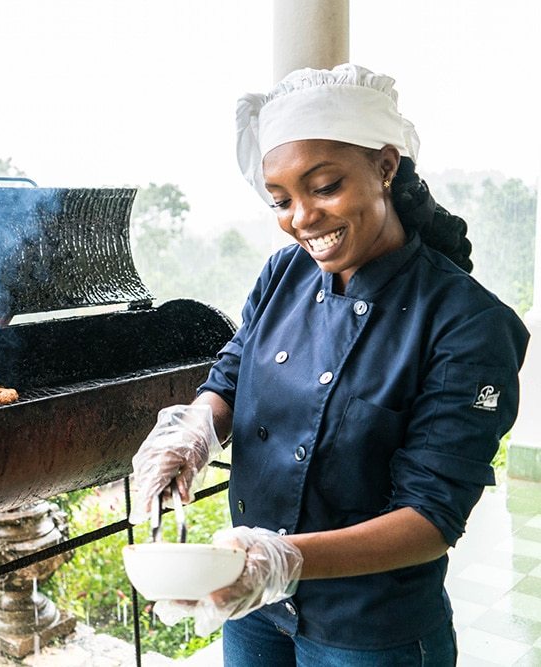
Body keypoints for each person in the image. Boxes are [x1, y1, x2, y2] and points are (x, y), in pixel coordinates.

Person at [129, 64, 530, 666]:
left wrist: (282, 561)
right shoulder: (282, 274)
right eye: (282, 200)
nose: (302, 219)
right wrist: (193, 431)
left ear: (386, 168)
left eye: (324, 187)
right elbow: (233, 374)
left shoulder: (466, 324)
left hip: (369, 628)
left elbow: (430, 517)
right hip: (257, 613)